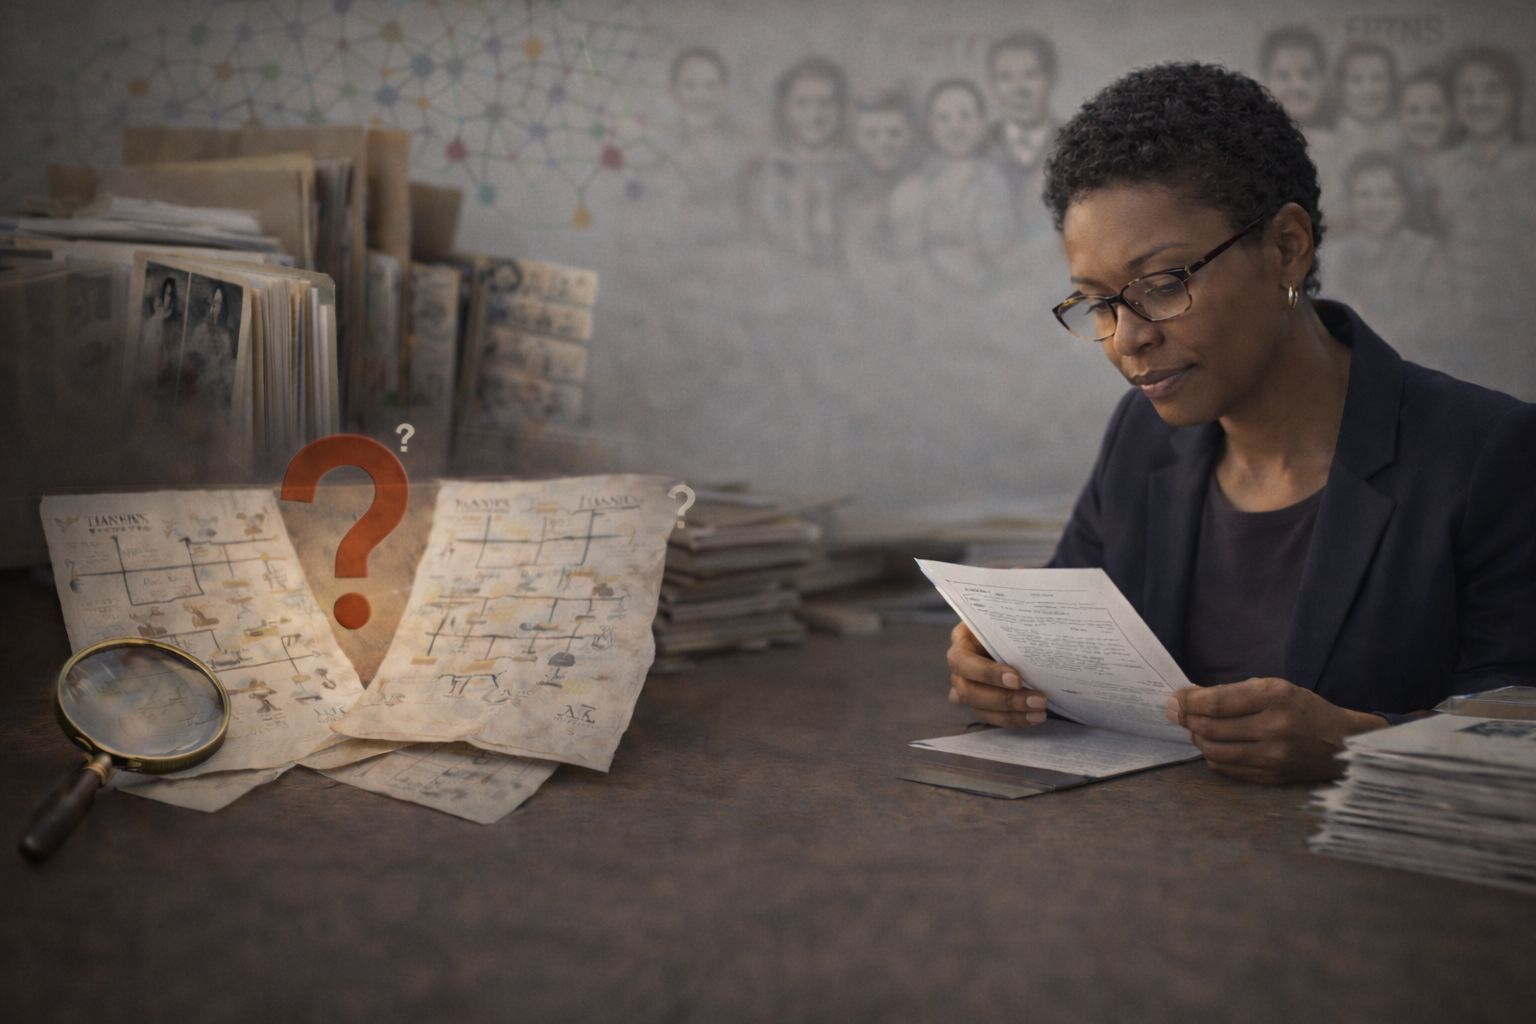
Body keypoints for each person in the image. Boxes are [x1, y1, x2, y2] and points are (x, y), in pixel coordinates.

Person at [944, 62, 1536, 784]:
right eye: (1098, 302)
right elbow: (1068, 651)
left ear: (1287, 246)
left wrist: (1365, 747)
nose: (1126, 339)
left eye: (1161, 284)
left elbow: (1516, 727)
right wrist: (1006, 675)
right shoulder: (1142, 438)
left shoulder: (1488, 455)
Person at [889, 78, 1014, 291]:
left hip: (982, 286)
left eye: (965, 116)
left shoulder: (993, 181)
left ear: (982, 122)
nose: (955, 126)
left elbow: (999, 247)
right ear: (929, 126)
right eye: (943, 118)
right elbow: (906, 253)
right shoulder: (913, 187)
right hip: (928, 289)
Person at [744, 56, 855, 264]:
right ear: (783, 109)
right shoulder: (766, 169)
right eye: (802, 103)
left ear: (840, 109)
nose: (814, 114)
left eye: (825, 103)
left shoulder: (853, 167)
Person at [983, 31, 1060, 240]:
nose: (1019, 88)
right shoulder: (977, 145)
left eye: (1030, 74)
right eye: (1006, 77)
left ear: (1051, 79)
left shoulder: (1077, 143)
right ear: (992, 84)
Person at [1396, 69, 1457, 233]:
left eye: (1435, 110)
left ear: (1451, 114)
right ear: (1399, 116)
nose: (1425, 119)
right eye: (1414, 111)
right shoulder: (1394, 166)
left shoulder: (1463, 165)